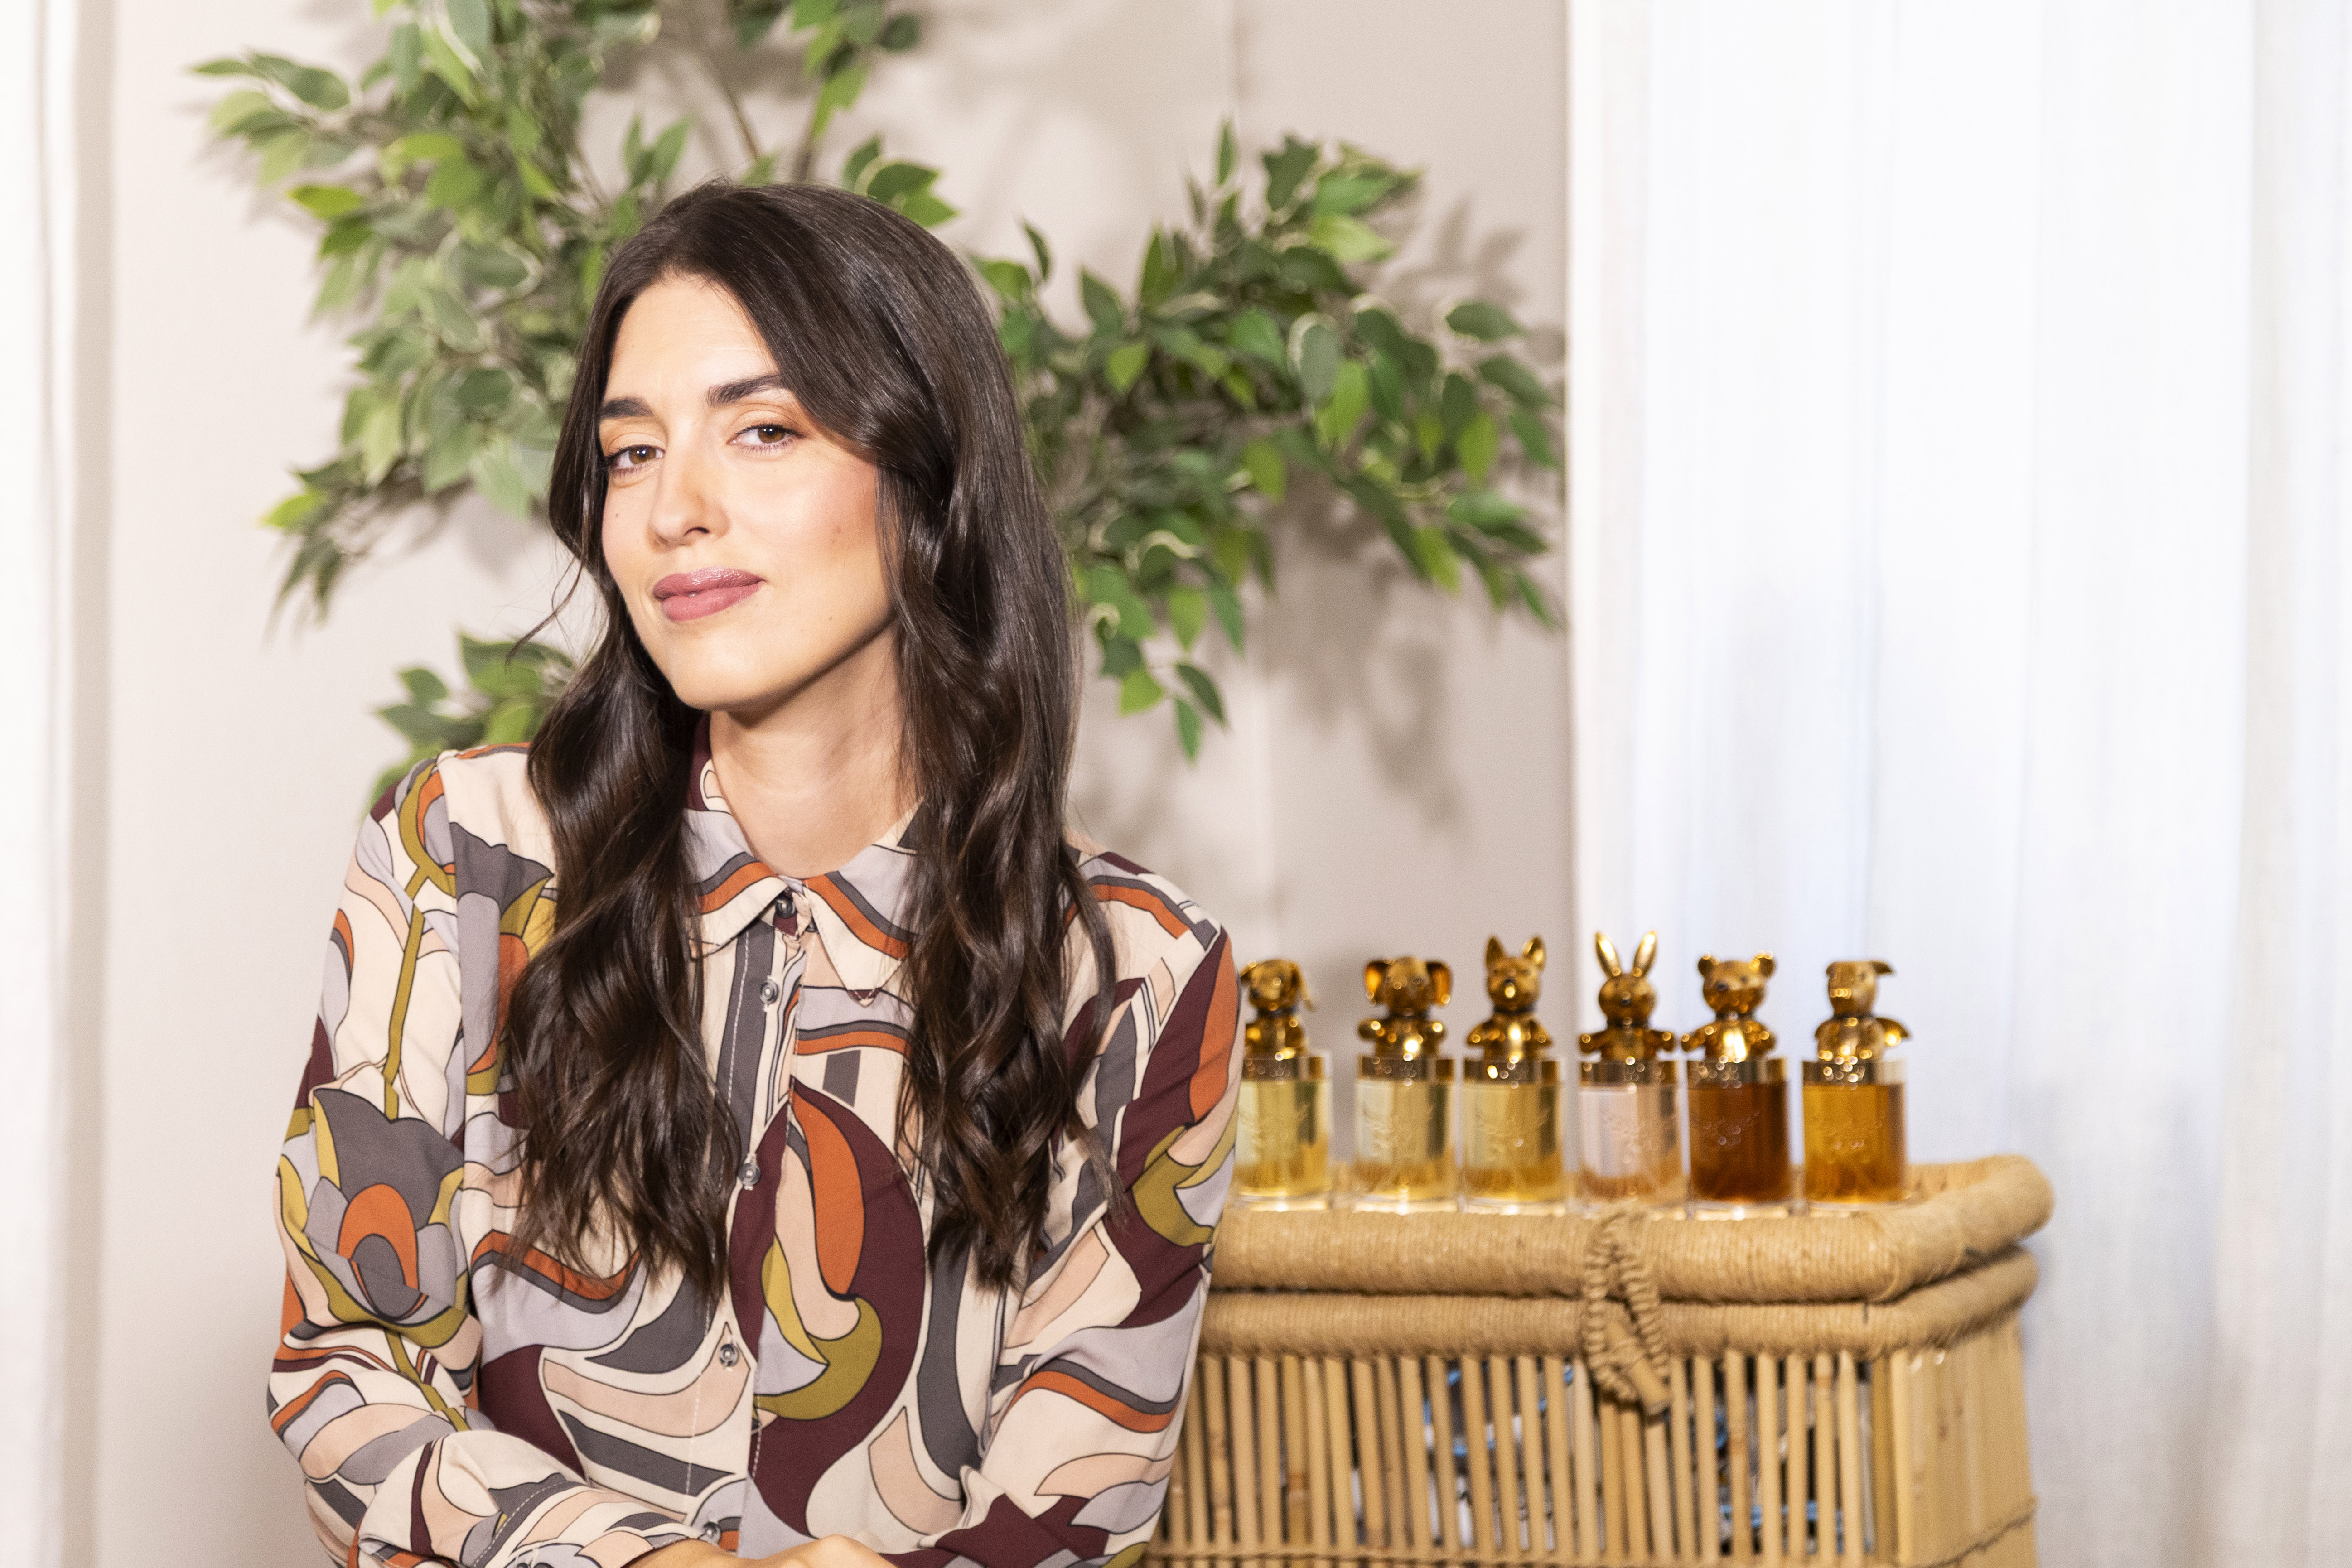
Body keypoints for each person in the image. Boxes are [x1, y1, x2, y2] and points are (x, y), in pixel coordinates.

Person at [266, 182, 1240, 1568]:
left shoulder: (1140, 973)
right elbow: (346, 1375)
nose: (677, 510)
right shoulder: (467, 858)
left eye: (764, 430)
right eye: (633, 452)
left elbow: (1074, 1511)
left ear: (928, 479)